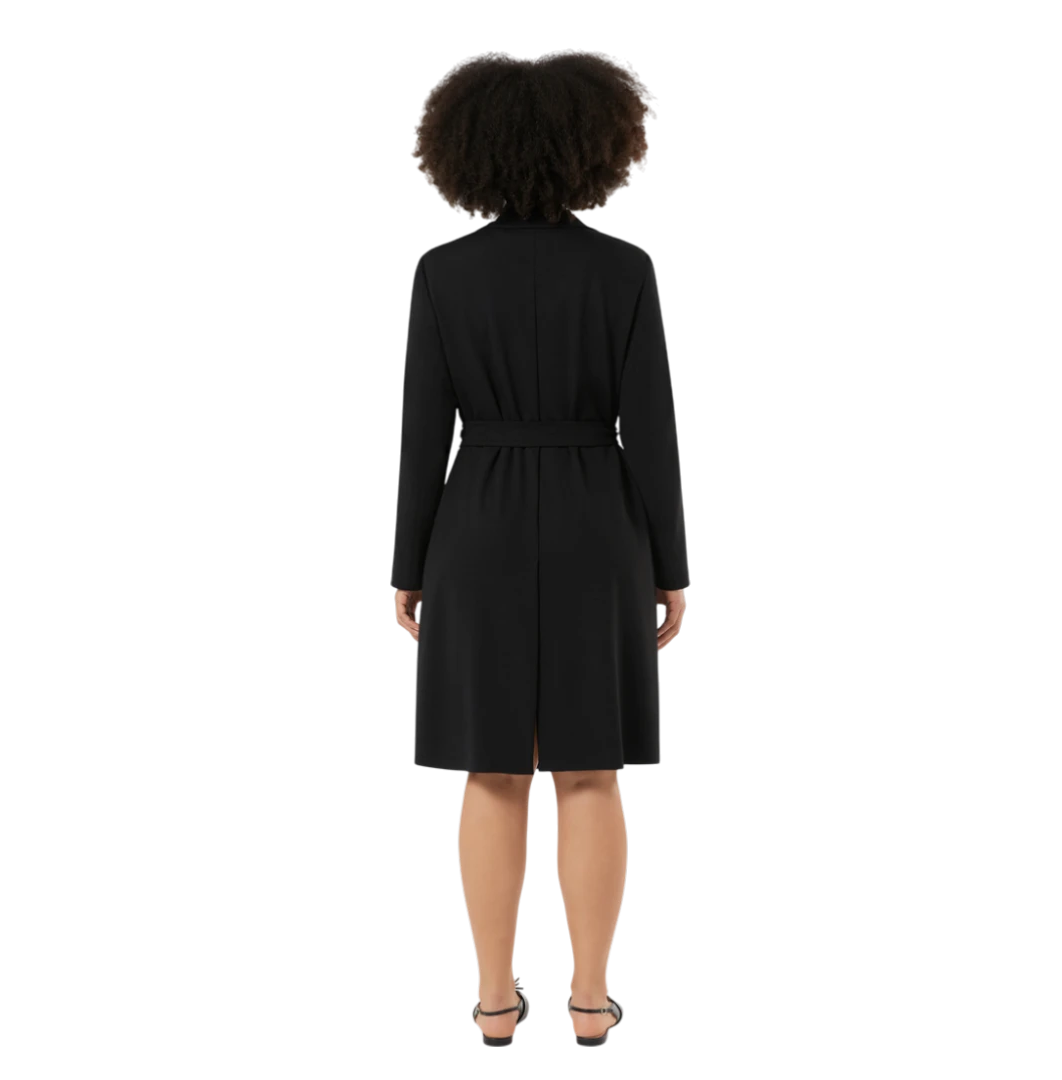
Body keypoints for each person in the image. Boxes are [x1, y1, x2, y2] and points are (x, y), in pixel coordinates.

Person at [390, 49, 690, 1047]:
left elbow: (422, 437)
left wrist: (408, 567)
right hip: (599, 524)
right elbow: (651, 432)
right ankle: (593, 1003)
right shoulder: (624, 270)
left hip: (473, 525)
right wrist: (670, 567)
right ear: (598, 148)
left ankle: (494, 1001)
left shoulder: (443, 274)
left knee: (491, 768)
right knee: (592, 767)